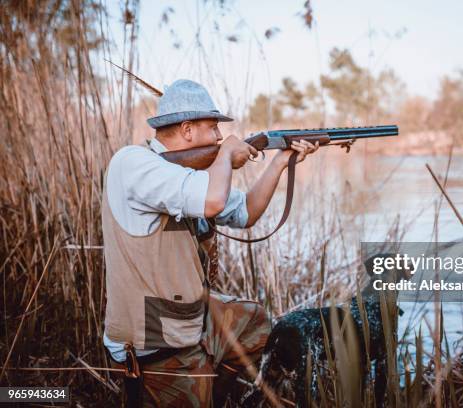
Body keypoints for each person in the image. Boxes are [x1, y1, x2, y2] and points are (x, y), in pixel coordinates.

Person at [101, 79, 318, 406]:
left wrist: (281, 159)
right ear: (187, 130)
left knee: (256, 324)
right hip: (152, 335)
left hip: (187, 312)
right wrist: (227, 154)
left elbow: (247, 212)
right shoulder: (132, 163)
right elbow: (213, 202)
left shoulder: (189, 179)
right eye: (214, 127)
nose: (220, 136)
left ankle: (212, 393)